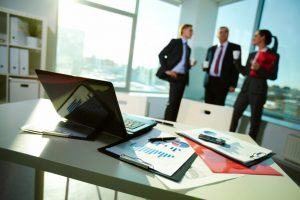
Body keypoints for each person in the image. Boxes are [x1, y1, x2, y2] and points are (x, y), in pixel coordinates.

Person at [229, 29, 279, 140]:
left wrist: (259, 69)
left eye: (256, 35)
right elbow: (245, 72)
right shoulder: (252, 54)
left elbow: (273, 76)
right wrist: (236, 61)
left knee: (255, 121)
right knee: (233, 115)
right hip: (245, 88)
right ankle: (228, 138)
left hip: (258, 90)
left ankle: (251, 148)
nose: (253, 37)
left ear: (263, 37)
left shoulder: (273, 55)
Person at [156, 24, 196, 121]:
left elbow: (184, 66)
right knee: (172, 102)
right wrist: (167, 70)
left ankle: (172, 123)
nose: (192, 32)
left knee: (178, 103)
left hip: (183, 77)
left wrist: (191, 65)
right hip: (174, 76)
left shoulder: (189, 49)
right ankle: (167, 122)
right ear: (183, 30)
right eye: (190, 30)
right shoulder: (175, 42)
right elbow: (161, 54)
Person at [203, 26, 241, 106]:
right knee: (207, 105)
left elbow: (236, 68)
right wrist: (204, 67)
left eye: (226, 32)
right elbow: (206, 64)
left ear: (228, 34)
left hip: (223, 82)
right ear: (217, 35)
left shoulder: (235, 48)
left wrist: (233, 84)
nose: (223, 34)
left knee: (218, 106)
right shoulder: (211, 49)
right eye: (221, 32)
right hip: (209, 81)